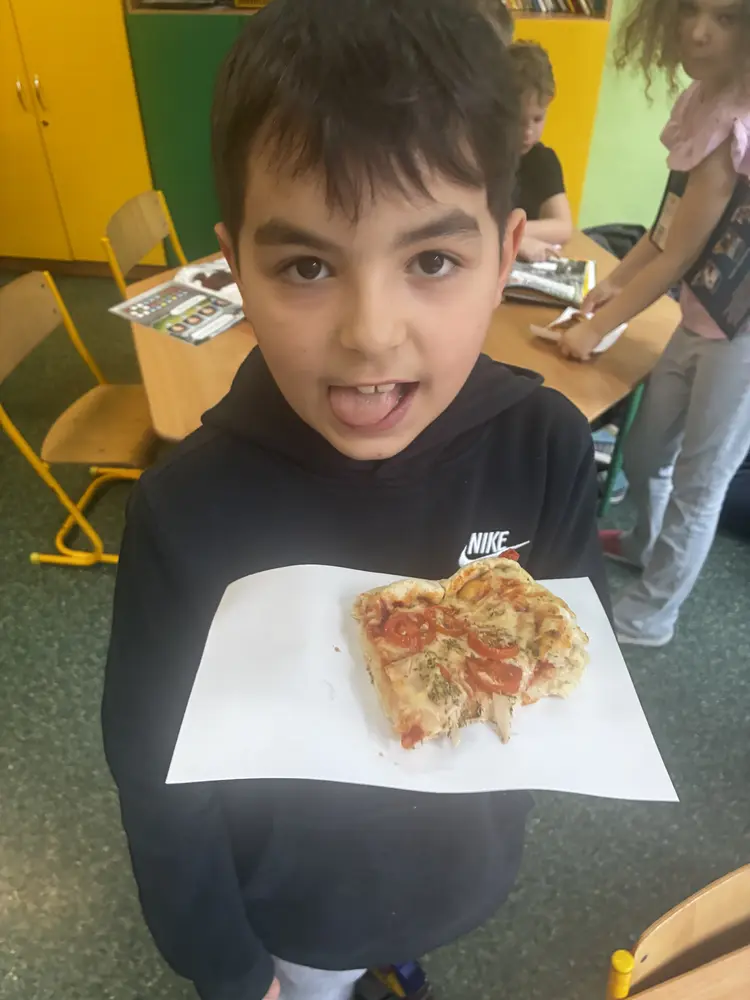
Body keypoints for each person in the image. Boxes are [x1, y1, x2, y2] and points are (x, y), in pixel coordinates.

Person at [101, 2, 608, 1000]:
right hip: (296, 906)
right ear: (236, 270)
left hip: (461, 867)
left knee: (403, 960)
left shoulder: (544, 445)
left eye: (432, 260)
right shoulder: (187, 510)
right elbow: (158, 781)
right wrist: (232, 971)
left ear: (505, 256)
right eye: (306, 266)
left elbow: (567, 655)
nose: (371, 333)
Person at [560, 0, 750, 647]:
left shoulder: (736, 122)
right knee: (645, 449)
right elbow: (667, 224)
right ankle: (644, 542)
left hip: (741, 334)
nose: (699, 31)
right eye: (692, 10)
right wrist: (614, 281)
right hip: (701, 315)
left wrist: (597, 328)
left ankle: (651, 615)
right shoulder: (702, 101)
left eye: (726, 18)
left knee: (702, 481)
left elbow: (680, 253)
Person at [509, 41, 573, 262]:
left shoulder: (542, 161)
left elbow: (563, 227)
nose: (528, 132)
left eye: (537, 119)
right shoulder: (477, 157)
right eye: (518, 121)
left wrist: (508, 233)